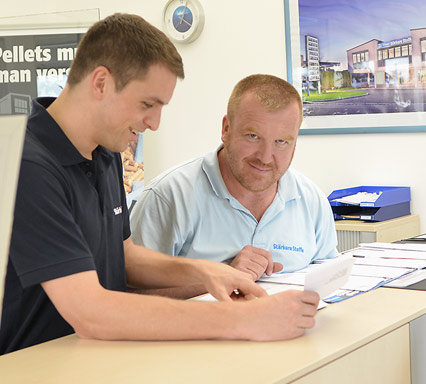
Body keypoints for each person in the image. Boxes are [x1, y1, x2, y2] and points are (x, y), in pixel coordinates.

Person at [0, 14, 320, 355]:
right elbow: (89, 311)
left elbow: (124, 256)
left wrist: (207, 272)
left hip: (95, 359)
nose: (154, 123)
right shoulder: (25, 162)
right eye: (147, 104)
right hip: (32, 366)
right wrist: (242, 319)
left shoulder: (105, 153)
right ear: (101, 83)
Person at [130, 74, 338, 299]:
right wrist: (223, 277)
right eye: (253, 136)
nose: (266, 157)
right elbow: (128, 297)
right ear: (226, 128)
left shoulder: (311, 200)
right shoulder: (168, 197)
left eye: (281, 142)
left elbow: (329, 281)